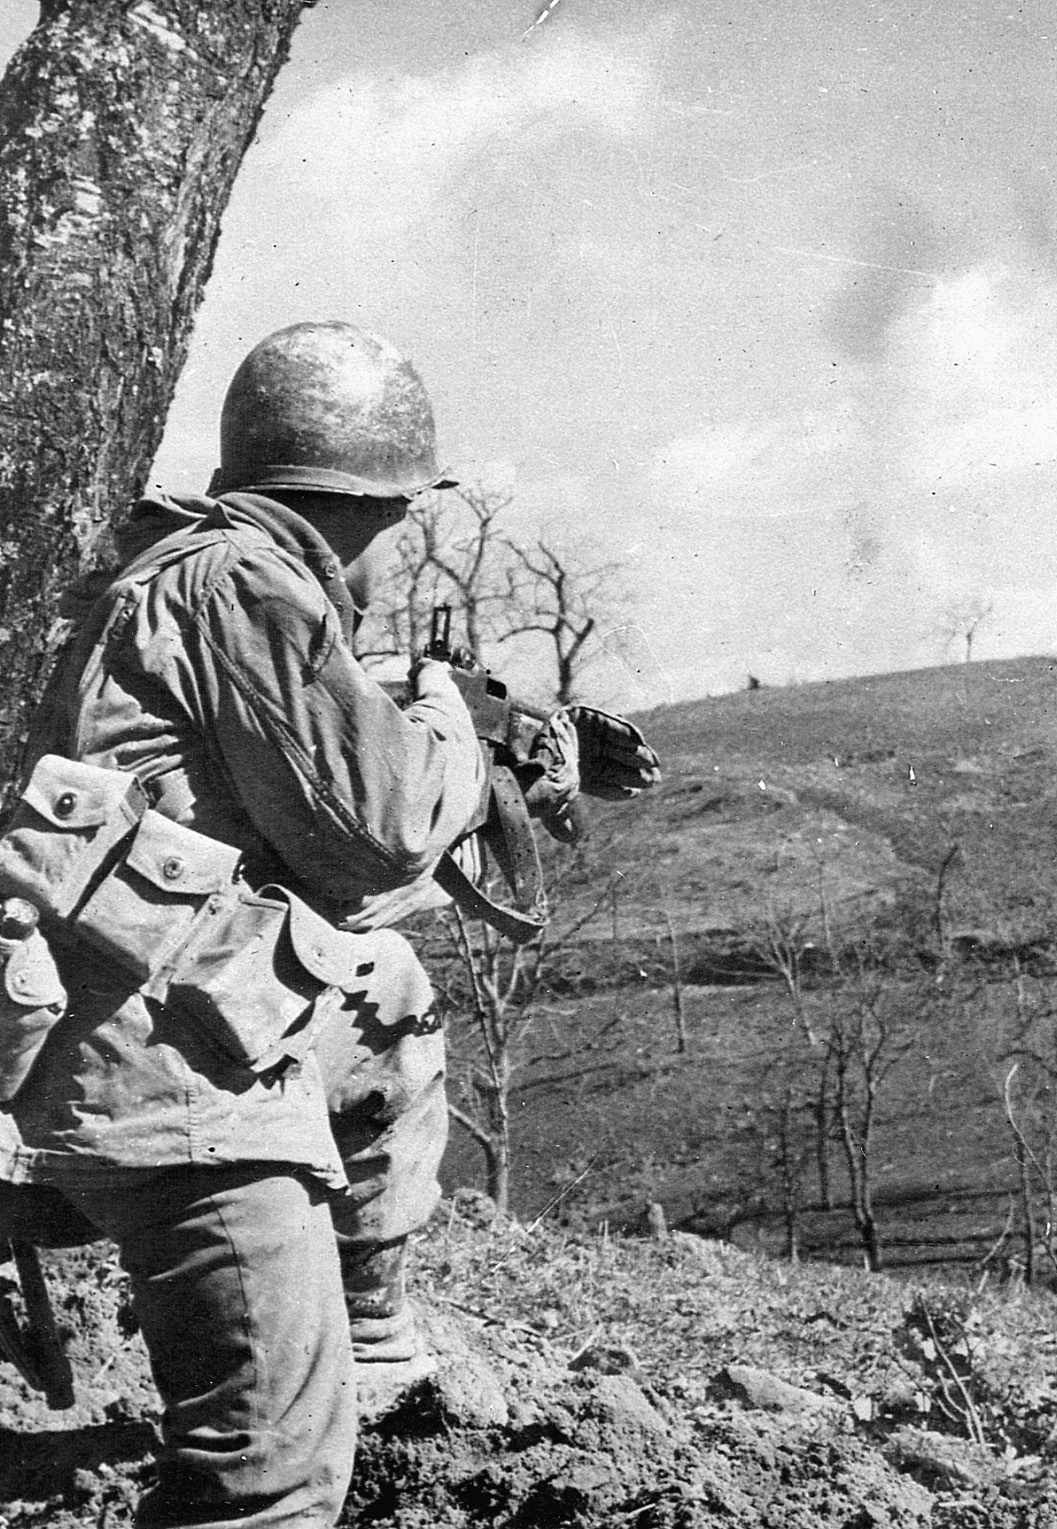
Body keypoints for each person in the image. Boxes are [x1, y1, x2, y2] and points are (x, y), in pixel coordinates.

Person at [0, 321, 536, 1526]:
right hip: (167, 1082)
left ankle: (379, 1349)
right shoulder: (244, 579)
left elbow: (330, 878)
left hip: (158, 1021)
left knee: (389, 991)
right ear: (382, 500)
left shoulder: (188, 569)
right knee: (270, 1483)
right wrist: (455, 728)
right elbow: (383, 833)